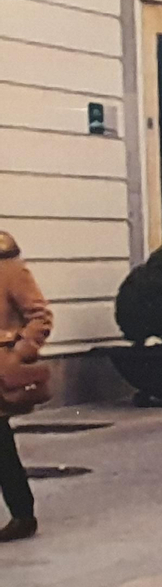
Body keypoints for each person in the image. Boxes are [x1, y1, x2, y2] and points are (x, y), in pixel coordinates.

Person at [0, 231, 53, 543]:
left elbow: (40, 317)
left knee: (1, 446)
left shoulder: (9, 267)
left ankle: (23, 515)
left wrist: (19, 352)